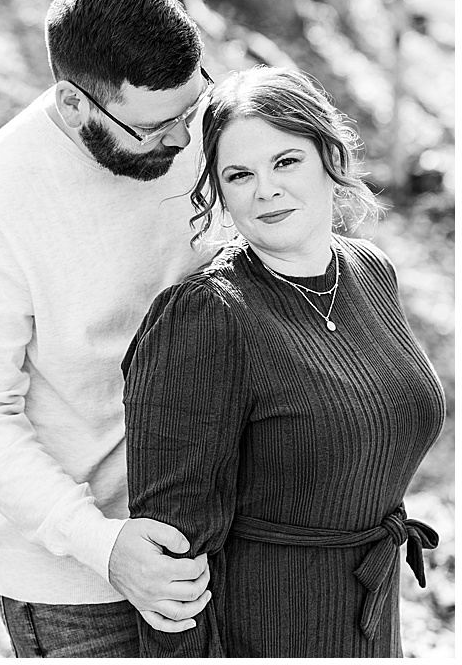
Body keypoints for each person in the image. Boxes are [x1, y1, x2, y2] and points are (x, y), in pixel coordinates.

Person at [0, 0, 221, 656]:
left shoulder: (194, 123)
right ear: (72, 104)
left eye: (192, 108)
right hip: (77, 588)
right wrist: (105, 545)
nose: (184, 140)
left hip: (216, 539)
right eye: (155, 129)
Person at [123, 67, 443, 657]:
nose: (264, 189)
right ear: (218, 193)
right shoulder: (207, 316)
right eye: (239, 175)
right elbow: (171, 552)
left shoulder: (369, 271)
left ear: (329, 156)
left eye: (286, 161)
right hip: (265, 626)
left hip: (370, 618)